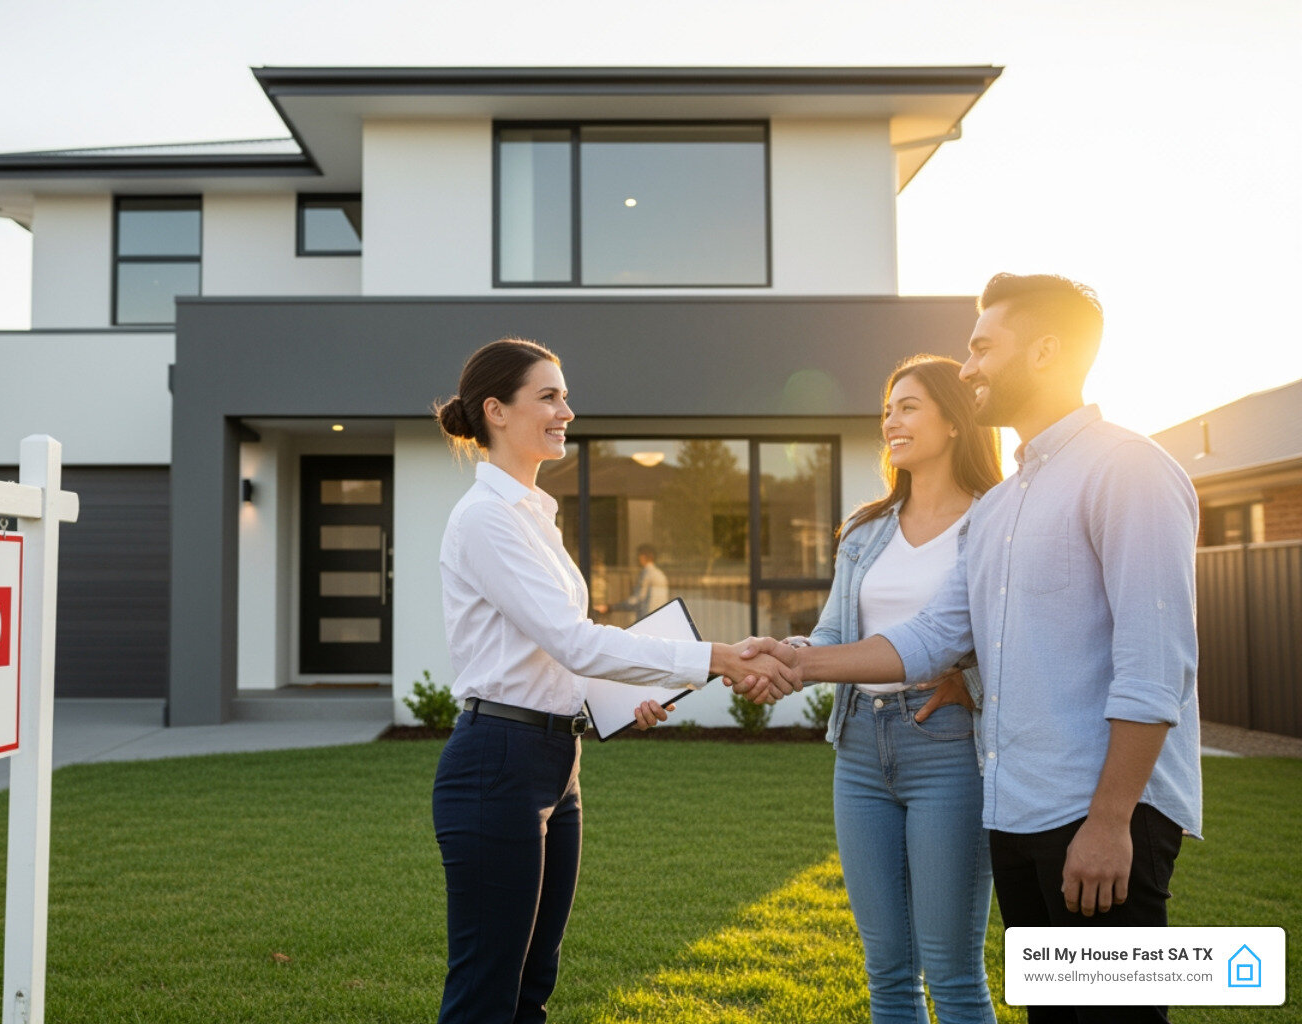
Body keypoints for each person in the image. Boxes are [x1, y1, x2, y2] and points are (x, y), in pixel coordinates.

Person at [736, 274, 1202, 1024]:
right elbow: (932, 637)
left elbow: (1155, 667)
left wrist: (1112, 819)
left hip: (1099, 816)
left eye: (983, 347)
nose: (969, 366)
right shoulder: (1006, 505)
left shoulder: (1128, 468)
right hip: (1017, 814)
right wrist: (800, 660)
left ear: (1045, 351)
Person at [431, 337, 796, 1024]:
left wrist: (620, 702)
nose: (566, 411)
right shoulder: (486, 518)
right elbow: (573, 639)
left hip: (554, 761)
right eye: (548, 396)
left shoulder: (536, 515)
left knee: (532, 984)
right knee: (487, 992)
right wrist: (719, 657)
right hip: (497, 766)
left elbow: (558, 655)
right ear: (496, 411)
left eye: (564, 396)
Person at [806, 354, 1003, 1023]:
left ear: (955, 421)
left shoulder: (994, 522)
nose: (891, 420)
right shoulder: (866, 529)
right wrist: (781, 656)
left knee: (952, 972)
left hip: (948, 748)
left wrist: (970, 681)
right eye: (888, 408)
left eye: (909, 406)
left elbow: (1022, 636)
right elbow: (832, 634)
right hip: (860, 747)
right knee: (887, 970)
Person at [594, 544, 670, 618]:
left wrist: (610, 608)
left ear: (642, 557)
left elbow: (636, 601)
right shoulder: (661, 574)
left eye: (637, 556)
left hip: (647, 619)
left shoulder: (646, 574)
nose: (636, 559)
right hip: (659, 618)